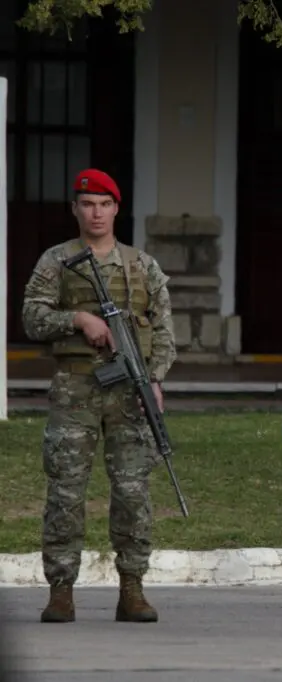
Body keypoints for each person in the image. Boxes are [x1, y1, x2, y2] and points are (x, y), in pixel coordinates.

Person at [21, 168, 177, 624]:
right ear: (75, 209)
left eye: (104, 205)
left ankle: (132, 589)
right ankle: (61, 591)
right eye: (88, 204)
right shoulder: (56, 260)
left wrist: (155, 379)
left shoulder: (142, 265)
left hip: (129, 391)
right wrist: (78, 320)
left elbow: (164, 329)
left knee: (132, 490)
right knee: (65, 490)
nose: (96, 213)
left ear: (116, 209)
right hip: (75, 389)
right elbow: (31, 316)